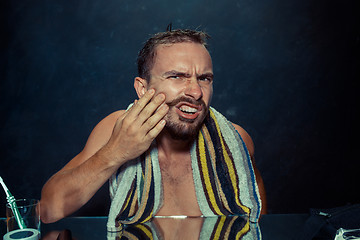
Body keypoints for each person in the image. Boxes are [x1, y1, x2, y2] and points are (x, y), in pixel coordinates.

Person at [40, 29, 267, 228]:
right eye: (177, 76)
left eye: (204, 78)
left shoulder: (235, 141)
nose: (196, 92)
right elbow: (48, 210)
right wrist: (116, 152)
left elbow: (255, 201)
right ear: (142, 88)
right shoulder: (117, 129)